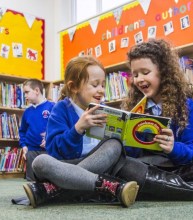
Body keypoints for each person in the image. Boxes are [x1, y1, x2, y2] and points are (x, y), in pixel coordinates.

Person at [115, 39, 193, 201]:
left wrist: (173, 147)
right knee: (123, 166)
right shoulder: (133, 107)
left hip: (179, 167)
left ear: (163, 71)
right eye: (135, 74)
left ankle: (159, 189)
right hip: (146, 167)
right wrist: (126, 137)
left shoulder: (186, 106)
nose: (139, 79)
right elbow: (130, 155)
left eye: (145, 72)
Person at [21, 56, 139, 208]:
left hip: (99, 164)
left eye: (103, 85)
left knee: (115, 145)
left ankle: (55, 189)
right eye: (95, 85)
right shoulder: (61, 109)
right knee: (40, 161)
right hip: (67, 165)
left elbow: (112, 152)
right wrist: (77, 129)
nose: (101, 90)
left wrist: (129, 137)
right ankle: (109, 186)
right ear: (73, 87)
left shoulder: (103, 110)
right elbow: (55, 150)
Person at [19, 79, 55, 181]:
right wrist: (23, 145)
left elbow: (58, 127)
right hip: (31, 150)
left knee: (48, 179)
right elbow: (23, 131)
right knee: (32, 180)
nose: (25, 96)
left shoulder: (53, 107)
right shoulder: (27, 112)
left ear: (36, 90)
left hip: (48, 150)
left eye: (27, 92)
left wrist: (49, 137)